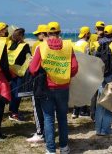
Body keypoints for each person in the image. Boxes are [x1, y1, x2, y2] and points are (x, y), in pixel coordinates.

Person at [29, 21, 78, 154]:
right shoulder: (69, 46)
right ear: (59, 32)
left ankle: (50, 150)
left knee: (48, 118)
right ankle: (64, 147)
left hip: (46, 87)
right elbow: (74, 68)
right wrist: (63, 74)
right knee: (62, 117)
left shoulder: (41, 47)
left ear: (47, 33)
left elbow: (33, 69)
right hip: (63, 87)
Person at [95, 24, 112, 136]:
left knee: (100, 102)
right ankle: (106, 130)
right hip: (111, 76)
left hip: (99, 75)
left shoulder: (98, 43)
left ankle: (98, 129)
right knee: (109, 103)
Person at [26, 24, 48, 143]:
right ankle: (47, 132)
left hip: (39, 80)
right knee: (49, 109)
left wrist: (32, 62)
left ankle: (40, 133)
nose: (36, 36)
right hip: (53, 81)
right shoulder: (60, 45)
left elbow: (33, 68)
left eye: (38, 34)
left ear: (43, 34)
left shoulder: (40, 46)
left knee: (37, 107)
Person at [7, 28, 31, 122]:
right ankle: (14, 113)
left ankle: (12, 111)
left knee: (12, 92)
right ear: (21, 36)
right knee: (18, 93)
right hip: (19, 71)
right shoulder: (24, 45)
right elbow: (29, 57)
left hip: (10, 70)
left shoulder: (10, 45)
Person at [72, 26, 91, 119]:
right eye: (89, 33)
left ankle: (75, 111)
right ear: (86, 34)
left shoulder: (76, 43)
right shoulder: (86, 44)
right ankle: (82, 111)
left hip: (75, 69)